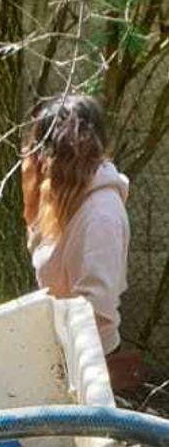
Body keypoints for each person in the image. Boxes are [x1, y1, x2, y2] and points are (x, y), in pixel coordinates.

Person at [23, 94, 130, 355]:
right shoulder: (69, 198)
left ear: (61, 154)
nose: (36, 161)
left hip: (90, 358)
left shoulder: (100, 215)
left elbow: (95, 307)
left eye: (41, 152)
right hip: (66, 347)